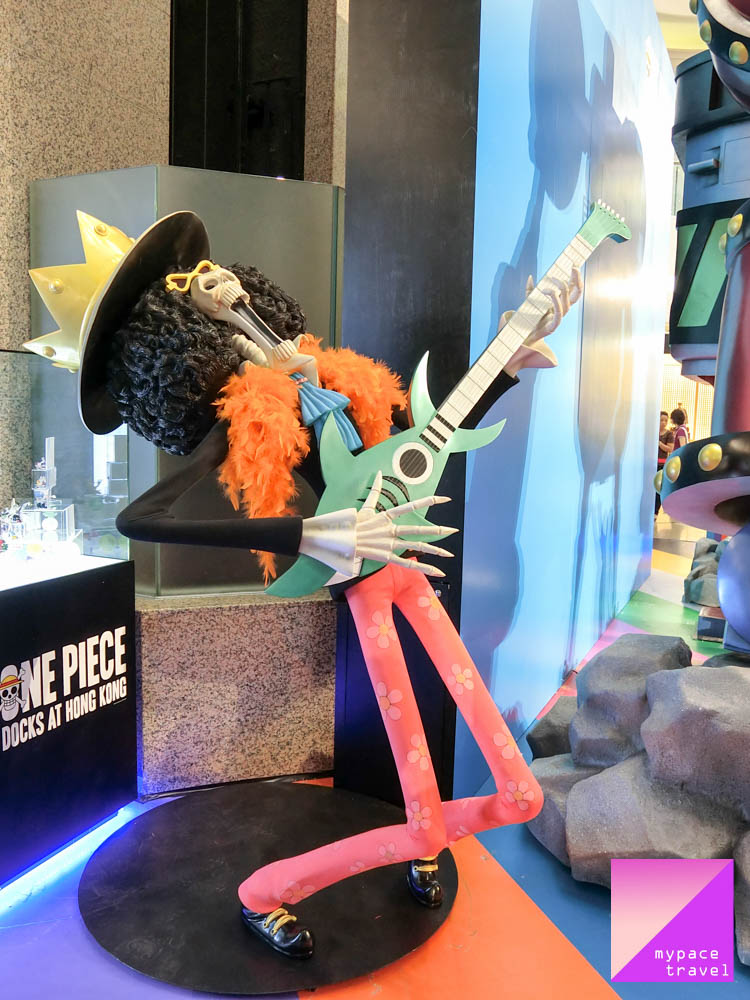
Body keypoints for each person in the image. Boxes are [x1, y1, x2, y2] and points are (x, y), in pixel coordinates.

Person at [29, 211, 581, 960]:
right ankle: (270, 890)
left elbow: (419, 442)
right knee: (458, 796)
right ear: (177, 330)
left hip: (408, 567)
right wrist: (309, 534)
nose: (219, 282)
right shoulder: (240, 416)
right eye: (195, 287)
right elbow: (140, 519)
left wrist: (506, 364)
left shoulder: (332, 376)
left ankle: (423, 837)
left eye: (218, 273)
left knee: (518, 792)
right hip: (365, 589)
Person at [655, 410, 673, 516]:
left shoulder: (669, 434)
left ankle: (656, 512)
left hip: (661, 464)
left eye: (666, 420)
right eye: (661, 420)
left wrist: (660, 444)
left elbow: (670, 448)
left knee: (659, 488)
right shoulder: (653, 431)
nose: (664, 422)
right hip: (651, 463)